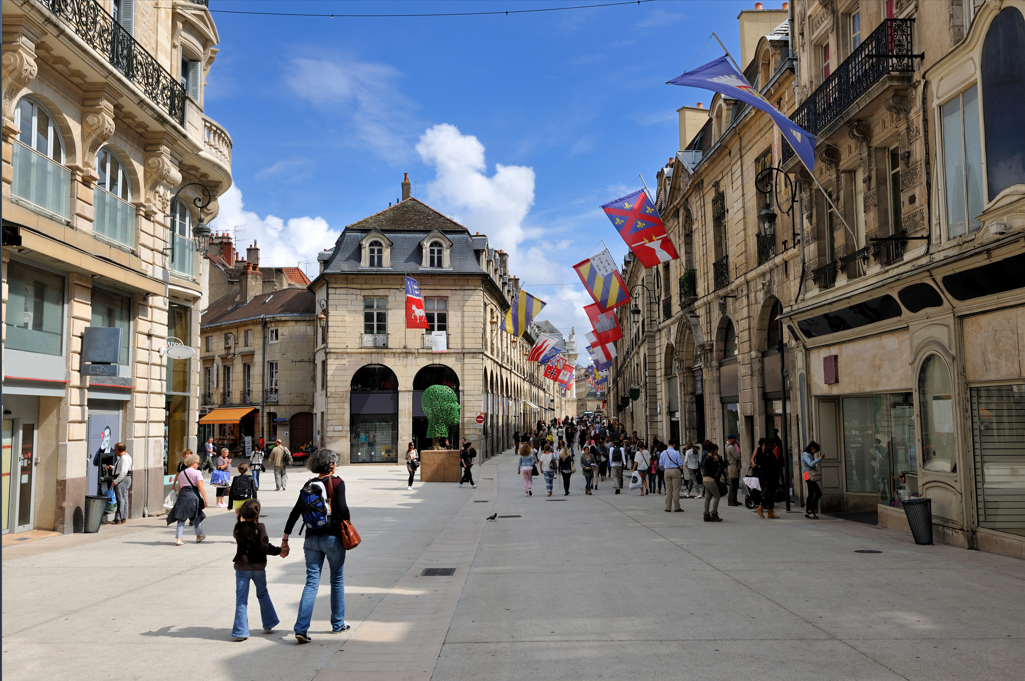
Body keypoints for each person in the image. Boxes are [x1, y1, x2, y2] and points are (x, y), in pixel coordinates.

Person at [282, 449, 351, 643]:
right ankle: (338, 624)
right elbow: (344, 510)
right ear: (331, 465)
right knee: (336, 580)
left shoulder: (308, 485)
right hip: (333, 538)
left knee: (311, 582)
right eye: (334, 462)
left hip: (311, 539)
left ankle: (301, 629)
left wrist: (285, 539)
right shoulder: (337, 482)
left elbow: (295, 513)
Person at [231, 499, 283, 641]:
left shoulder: (238, 526)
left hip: (242, 567)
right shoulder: (259, 526)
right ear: (257, 514)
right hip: (258, 567)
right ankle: (269, 622)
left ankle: (240, 632)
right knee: (262, 594)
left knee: (241, 600)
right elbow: (264, 546)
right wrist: (279, 551)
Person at [167, 453, 208, 545]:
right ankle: (199, 535)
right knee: (195, 516)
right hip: (193, 495)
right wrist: (205, 498)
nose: (198, 464)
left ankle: (179, 539)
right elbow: (200, 486)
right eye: (198, 463)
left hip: (183, 495)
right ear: (193, 463)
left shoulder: (182, 473)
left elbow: (179, 487)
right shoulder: (197, 472)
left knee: (181, 518)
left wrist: (178, 496)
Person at [754, 439, 782, 519]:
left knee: (772, 495)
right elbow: (764, 469)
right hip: (768, 478)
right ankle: (761, 507)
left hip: (773, 478)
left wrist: (777, 479)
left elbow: (776, 466)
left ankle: (770, 512)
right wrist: (765, 480)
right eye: (770, 446)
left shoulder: (771, 454)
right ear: (766, 446)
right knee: (769, 495)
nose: (771, 447)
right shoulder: (764, 455)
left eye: (772, 446)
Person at [105, 442, 132, 524]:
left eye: (115, 449)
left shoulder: (124, 458)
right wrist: (113, 468)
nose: (114, 451)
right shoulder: (125, 457)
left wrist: (115, 482)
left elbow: (123, 472)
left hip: (122, 479)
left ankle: (118, 518)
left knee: (120, 499)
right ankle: (123, 517)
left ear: (118, 450)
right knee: (124, 498)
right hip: (124, 478)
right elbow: (121, 469)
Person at [659, 439, 685, 512]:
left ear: (668, 444)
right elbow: (680, 464)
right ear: (674, 444)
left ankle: (668, 507)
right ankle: (677, 507)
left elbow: (661, 464)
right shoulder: (676, 453)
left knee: (668, 489)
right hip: (675, 471)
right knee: (676, 490)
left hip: (667, 471)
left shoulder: (663, 453)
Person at [702, 442, 725, 522]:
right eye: (716, 450)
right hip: (710, 480)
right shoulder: (709, 459)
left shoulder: (707, 458)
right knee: (717, 496)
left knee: (708, 497)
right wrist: (716, 461)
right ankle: (714, 514)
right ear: (713, 451)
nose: (717, 452)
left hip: (705, 479)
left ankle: (706, 514)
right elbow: (714, 469)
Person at [802, 441, 824, 519]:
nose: (815, 452)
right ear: (812, 448)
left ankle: (808, 511)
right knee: (818, 493)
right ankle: (810, 510)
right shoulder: (806, 454)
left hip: (809, 475)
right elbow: (810, 464)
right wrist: (819, 459)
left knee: (811, 494)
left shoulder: (808, 454)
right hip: (808, 476)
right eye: (815, 450)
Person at [724, 434, 743, 506]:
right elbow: (737, 457)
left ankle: (734, 500)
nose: (735, 440)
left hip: (732, 467)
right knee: (733, 485)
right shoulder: (731, 447)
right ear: (731, 439)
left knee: (735, 485)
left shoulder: (727, 446)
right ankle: (731, 500)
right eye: (735, 438)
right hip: (734, 467)